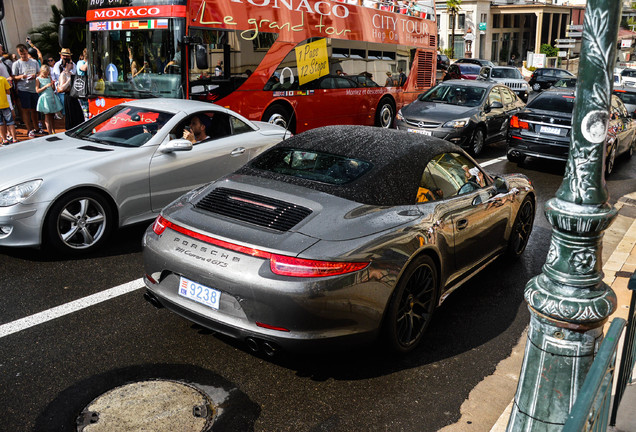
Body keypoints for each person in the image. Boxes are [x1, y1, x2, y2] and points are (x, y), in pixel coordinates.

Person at [12, 43, 40, 138]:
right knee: (26, 110)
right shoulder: (16, 64)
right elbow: (13, 77)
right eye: (21, 54)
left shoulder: (34, 62)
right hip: (23, 89)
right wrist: (22, 76)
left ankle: (37, 128)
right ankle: (29, 129)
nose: (23, 55)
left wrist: (34, 76)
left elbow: (39, 73)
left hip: (33, 88)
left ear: (27, 51)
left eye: (24, 53)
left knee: (35, 110)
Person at [56, 59, 84, 129]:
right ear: (67, 64)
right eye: (71, 63)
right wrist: (69, 80)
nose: (72, 64)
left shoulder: (71, 73)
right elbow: (62, 88)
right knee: (71, 116)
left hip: (74, 96)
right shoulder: (63, 74)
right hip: (68, 96)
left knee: (78, 116)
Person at [35, 64, 62, 135]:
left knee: (52, 115)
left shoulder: (49, 77)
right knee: (47, 115)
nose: (46, 75)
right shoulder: (38, 79)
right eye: (44, 74)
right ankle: (49, 132)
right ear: (41, 72)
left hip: (51, 97)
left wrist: (52, 84)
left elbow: (53, 89)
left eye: (47, 74)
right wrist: (45, 86)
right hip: (45, 98)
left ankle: (53, 130)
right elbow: (37, 90)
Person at [0, 73, 18, 145]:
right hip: (5, 105)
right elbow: (8, 92)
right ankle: (14, 139)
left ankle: (4, 140)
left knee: (0, 123)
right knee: (10, 122)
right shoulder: (3, 79)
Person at [76, 49, 89, 120]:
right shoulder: (80, 62)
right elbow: (84, 68)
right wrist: (88, 60)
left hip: (90, 88)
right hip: (82, 88)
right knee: (85, 110)